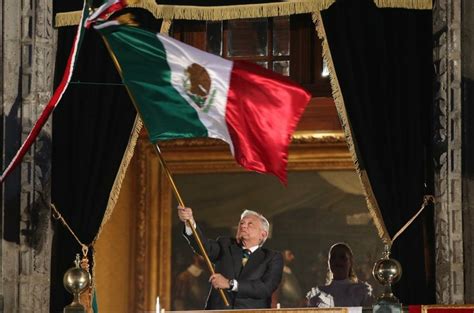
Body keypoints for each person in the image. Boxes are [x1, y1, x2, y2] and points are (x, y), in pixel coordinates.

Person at [178, 206, 284, 310]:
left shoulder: (272, 257)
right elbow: (203, 246)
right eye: (241, 223)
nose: (243, 226)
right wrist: (190, 224)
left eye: (250, 224)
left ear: (263, 234)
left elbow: (265, 288)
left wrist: (230, 284)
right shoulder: (225, 245)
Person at [306, 242, 373, 307]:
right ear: (329, 262)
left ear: (350, 262)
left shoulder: (362, 292)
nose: (337, 261)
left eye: (342, 257)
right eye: (333, 257)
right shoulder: (318, 295)